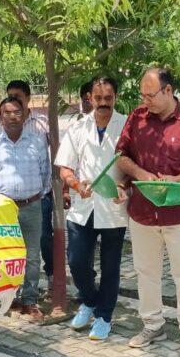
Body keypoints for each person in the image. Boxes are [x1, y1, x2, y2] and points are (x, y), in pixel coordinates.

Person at [115, 66, 180, 356]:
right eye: (142, 95)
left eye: (151, 95)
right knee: (146, 272)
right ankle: (152, 324)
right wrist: (140, 174)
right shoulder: (137, 117)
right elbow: (121, 155)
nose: (146, 101)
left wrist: (178, 180)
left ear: (169, 90)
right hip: (143, 210)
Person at [55, 77, 129, 341]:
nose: (103, 103)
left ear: (116, 97)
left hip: (113, 206)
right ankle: (89, 300)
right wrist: (75, 184)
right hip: (83, 205)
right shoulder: (78, 127)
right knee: (76, 260)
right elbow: (65, 168)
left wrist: (124, 186)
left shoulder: (127, 126)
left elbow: (134, 164)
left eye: (108, 98)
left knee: (110, 266)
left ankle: (104, 316)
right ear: (89, 98)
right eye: (98, 98)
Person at [0, 96, 51, 321]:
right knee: (7, 255)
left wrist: (36, 196)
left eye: (17, 112)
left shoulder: (37, 142)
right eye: (7, 113)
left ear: (24, 115)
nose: (12, 116)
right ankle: (10, 299)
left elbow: (45, 172)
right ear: (0, 118)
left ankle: (30, 300)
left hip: (32, 206)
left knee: (32, 256)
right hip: (5, 210)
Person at [0, 81, 58, 287]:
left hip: (37, 197)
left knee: (41, 240)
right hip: (7, 203)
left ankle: (45, 279)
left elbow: (47, 164)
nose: (14, 100)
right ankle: (12, 290)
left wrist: (42, 192)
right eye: (10, 95)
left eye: (18, 96)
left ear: (28, 99)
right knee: (10, 249)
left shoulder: (41, 125)